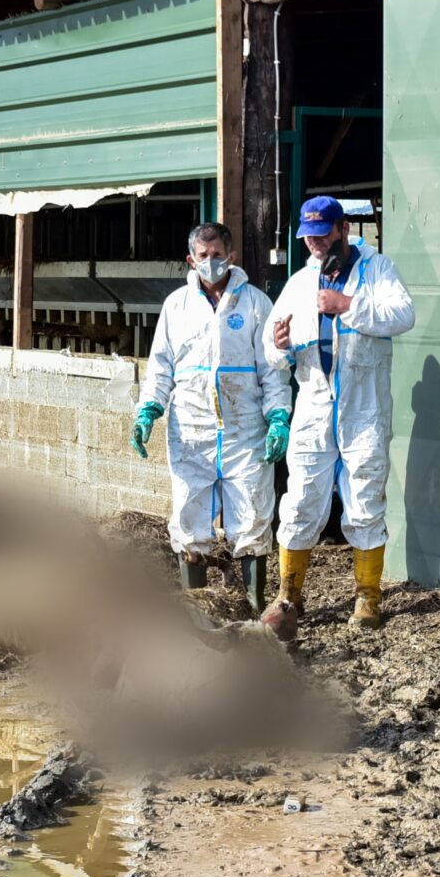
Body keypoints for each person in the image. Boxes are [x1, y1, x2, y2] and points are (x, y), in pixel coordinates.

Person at [266, 196, 414, 632]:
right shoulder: (299, 282)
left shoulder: (377, 269)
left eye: (322, 234)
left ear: (343, 229)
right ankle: (289, 594)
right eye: (307, 237)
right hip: (314, 403)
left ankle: (368, 596)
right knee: (301, 498)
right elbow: (272, 351)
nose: (314, 244)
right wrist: (276, 344)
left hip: (363, 406)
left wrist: (347, 305)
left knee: (365, 497)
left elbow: (403, 314)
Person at [132, 223, 292, 611]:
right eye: (202, 257)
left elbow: (272, 368)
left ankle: (253, 609)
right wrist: (148, 409)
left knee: (253, 515)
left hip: (245, 429)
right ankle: (197, 609)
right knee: (190, 516)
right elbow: (161, 366)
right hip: (192, 427)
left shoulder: (255, 304)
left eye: (217, 254)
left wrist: (278, 417)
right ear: (191, 260)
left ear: (231, 255)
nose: (211, 262)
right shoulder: (176, 306)